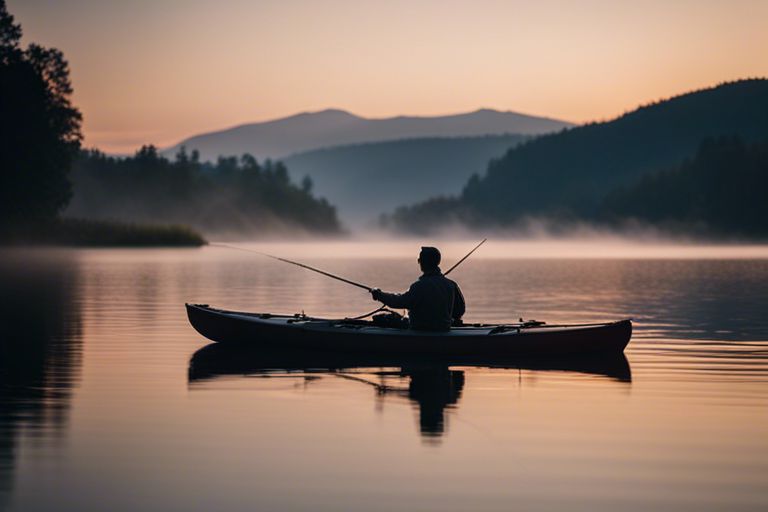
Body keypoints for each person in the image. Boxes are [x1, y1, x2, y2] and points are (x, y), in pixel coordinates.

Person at [370, 246, 465, 331]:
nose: (419, 262)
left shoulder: (418, 286)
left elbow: (398, 301)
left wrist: (379, 295)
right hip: (444, 329)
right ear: (437, 262)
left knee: (382, 319)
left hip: (420, 330)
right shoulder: (451, 285)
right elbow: (460, 310)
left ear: (422, 262)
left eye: (419, 260)